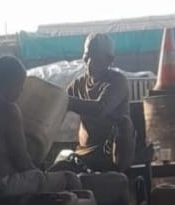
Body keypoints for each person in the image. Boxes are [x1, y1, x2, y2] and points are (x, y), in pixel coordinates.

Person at [0, 55, 78, 203]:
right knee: (69, 179)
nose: (21, 91)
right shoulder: (8, 110)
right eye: (20, 85)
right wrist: (40, 175)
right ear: (10, 83)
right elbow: (21, 159)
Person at [51, 33, 135, 173]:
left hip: (111, 154)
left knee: (125, 123)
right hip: (83, 153)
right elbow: (58, 105)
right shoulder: (79, 84)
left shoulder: (117, 81)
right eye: (87, 56)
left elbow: (101, 109)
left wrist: (68, 101)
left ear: (109, 60)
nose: (89, 62)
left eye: (96, 58)